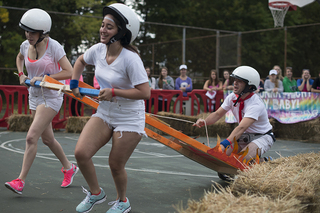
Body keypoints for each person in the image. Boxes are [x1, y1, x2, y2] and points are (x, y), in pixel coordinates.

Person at [70, 3, 150, 213]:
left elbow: (144, 92)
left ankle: (122, 201)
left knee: (115, 164)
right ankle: (96, 194)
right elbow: (79, 61)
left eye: (109, 27)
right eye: (102, 25)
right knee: (81, 153)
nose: (102, 30)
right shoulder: (97, 50)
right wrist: (73, 84)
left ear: (121, 32)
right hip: (106, 112)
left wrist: (114, 92)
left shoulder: (131, 59)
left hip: (130, 117)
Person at [5, 8, 78, 195]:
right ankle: (69, 168)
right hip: (34, 96)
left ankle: (20, 181)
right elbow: (19, 58)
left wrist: (45, 77)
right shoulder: (24, 45)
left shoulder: (55, 47)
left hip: (51, 97)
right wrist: (21, 74)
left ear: (43, 32)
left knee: (31, 137)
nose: (28, 35)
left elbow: (69, 71)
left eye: (32, 32)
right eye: (26, 31)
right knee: (48, 139)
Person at [194, 66, 275, 172]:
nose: (235, 83)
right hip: (244, 136)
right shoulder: (232, 97)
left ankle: (266, 161)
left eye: (239, 81)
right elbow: (218, 114)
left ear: (249, 86)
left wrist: (224, 144)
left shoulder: (255, 104)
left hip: (262, 137)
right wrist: (205, 122)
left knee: (241, 161)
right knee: (225, 159)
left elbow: (241, 127)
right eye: (235, 80)